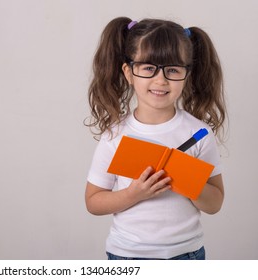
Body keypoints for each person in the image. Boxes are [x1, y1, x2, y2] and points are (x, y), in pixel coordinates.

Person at [85, 17, 227, 260]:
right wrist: (134, 194)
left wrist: (186, 177)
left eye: (172, 69)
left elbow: (214, 204)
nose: (161, 80)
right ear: (129, 72)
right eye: (149, 68)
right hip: (127, 255)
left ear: (187, 74)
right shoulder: (115, 135)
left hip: (187, 255)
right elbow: (93, 202)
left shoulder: (198, 134)